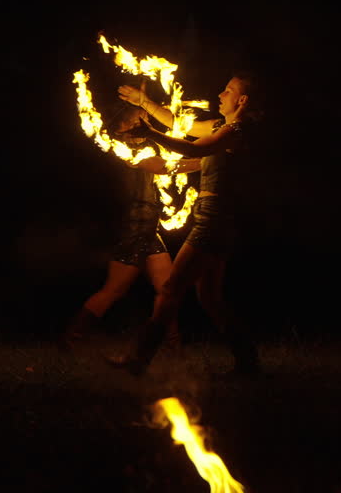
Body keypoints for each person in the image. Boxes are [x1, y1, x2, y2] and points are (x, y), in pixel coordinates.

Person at [106, 72, 264, 377]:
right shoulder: (222, 126)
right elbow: (181, 124)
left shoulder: (234, 131)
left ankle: (139, 360)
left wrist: (150, 134)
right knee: (210, 298)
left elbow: (194, 148)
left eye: (228, 90)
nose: (220, 94)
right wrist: (145, 102)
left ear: (241, 101)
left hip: (214, 221)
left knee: (169, 289)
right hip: (213, 218)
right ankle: (249, 363)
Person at [61, 105, 199, 351]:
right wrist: (205, 161)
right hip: (133, 231)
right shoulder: (121, 149)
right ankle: (72, 338)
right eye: (141, 118)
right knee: (114, 290)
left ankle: (173, 346)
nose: (146, 123)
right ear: (122, 126)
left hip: (150, 230)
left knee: (168, 289)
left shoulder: (143, 146)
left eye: (146, 118)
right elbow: (162, 166)